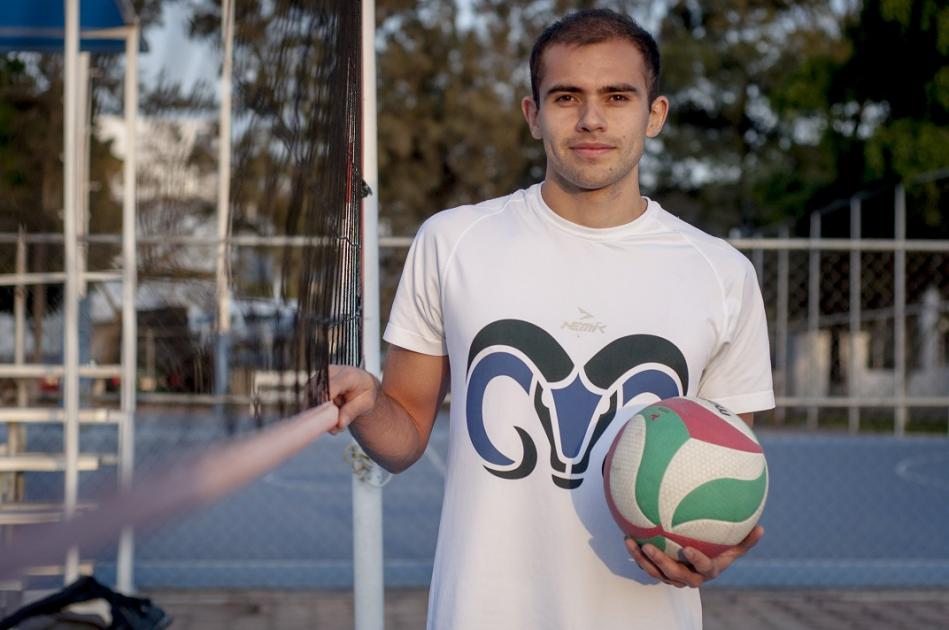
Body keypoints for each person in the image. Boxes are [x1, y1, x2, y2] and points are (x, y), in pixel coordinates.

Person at [327, 9, 774, 629]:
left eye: (617, 96)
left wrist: (711, 552)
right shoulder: (453, 242)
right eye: (567, 97)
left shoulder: (721, 274)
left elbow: (722, 473)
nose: (591, 119)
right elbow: (402, 437)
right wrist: (368, 402)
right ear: (533, 114)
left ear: (655, 114)